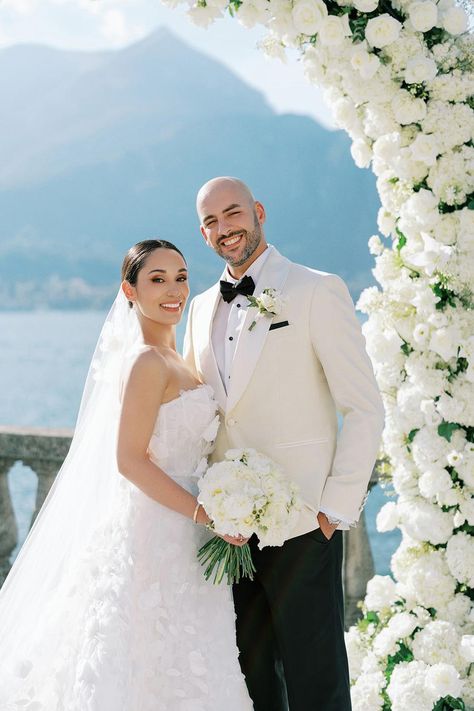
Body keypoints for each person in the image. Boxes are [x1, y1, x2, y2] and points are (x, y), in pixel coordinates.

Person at [0, 239, 252, 711]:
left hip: (189, 538)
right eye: (157, 279)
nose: (174, 289)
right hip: (155, 534)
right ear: (129, 291)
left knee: (194, 657)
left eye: (180, 276)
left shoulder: (181, 361)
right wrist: (206, 513)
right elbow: (130, 460)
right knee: (147, 661)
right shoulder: (144, 362)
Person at [184, 177, 385, 711]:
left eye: (233, 214)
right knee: (249, 680)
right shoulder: (201, 307)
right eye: (211, 222)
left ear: (259, 212)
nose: (224, 228)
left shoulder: (316, 290)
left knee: (315, 678)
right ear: (203, 234)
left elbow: (364, 408)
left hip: (303, 525)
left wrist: (333, 511)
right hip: (227, 533)